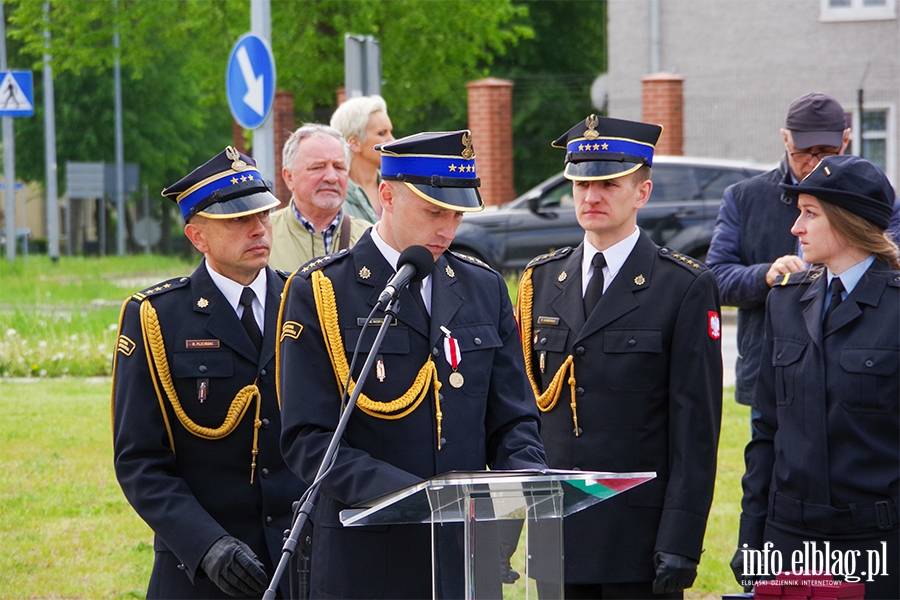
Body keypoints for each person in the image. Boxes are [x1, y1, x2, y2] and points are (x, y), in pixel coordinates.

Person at [277, 130, 547, 599]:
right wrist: (416, 499)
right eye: (434, 211)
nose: (448, 229)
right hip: (369, 555)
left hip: (469, 550)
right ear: (387, 195)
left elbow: (514, 417)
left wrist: (526, 480)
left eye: (458, 214)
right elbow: (307, 438)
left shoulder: (482, 287)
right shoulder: (321, 291)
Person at [517, 115, 722, 599]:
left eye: (608, 184)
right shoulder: (542, 281)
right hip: (557, 534)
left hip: (638, 541)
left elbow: (696, 430)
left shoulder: (684, 286)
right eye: (581, 184)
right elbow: (524, 416)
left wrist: (682, 539)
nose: (591, 197)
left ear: (642, 193)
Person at [111, 147, 307, 598]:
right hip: (201, 572)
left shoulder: (308, 302)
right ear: (197, 237)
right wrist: (206, 545)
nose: (258, 228)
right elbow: (140, 460)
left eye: (262, 215)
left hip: (302, 564)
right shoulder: (157, 318)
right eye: (238, 220)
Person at [730, 155, 899, 599]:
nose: (795, 228)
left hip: (877, 545)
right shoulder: (785, 302)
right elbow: (766, 430)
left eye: (810, 214)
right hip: (789, 541)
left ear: (849, 222)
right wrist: (752, 538)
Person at [706, 92, 900, 412]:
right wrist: (766, 275)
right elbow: (715, 277)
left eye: (826, 151)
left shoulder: (876, 197)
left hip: (859, 370)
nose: (814, 163)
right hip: (774, 364)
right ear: (785, 139)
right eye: (803, 152)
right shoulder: (744, 196)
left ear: (846, 139)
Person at [268, 124, 370, 271]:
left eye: (339, 167)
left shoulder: (369, 238)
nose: (331, 177)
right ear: (289, 177)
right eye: (317, 167)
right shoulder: (262, 238)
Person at [329, 94, 394, 222]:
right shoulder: (331, 198)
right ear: (354, 143)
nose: (392, 141)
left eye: (390, 132)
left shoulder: (397, 189)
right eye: (382, 133)